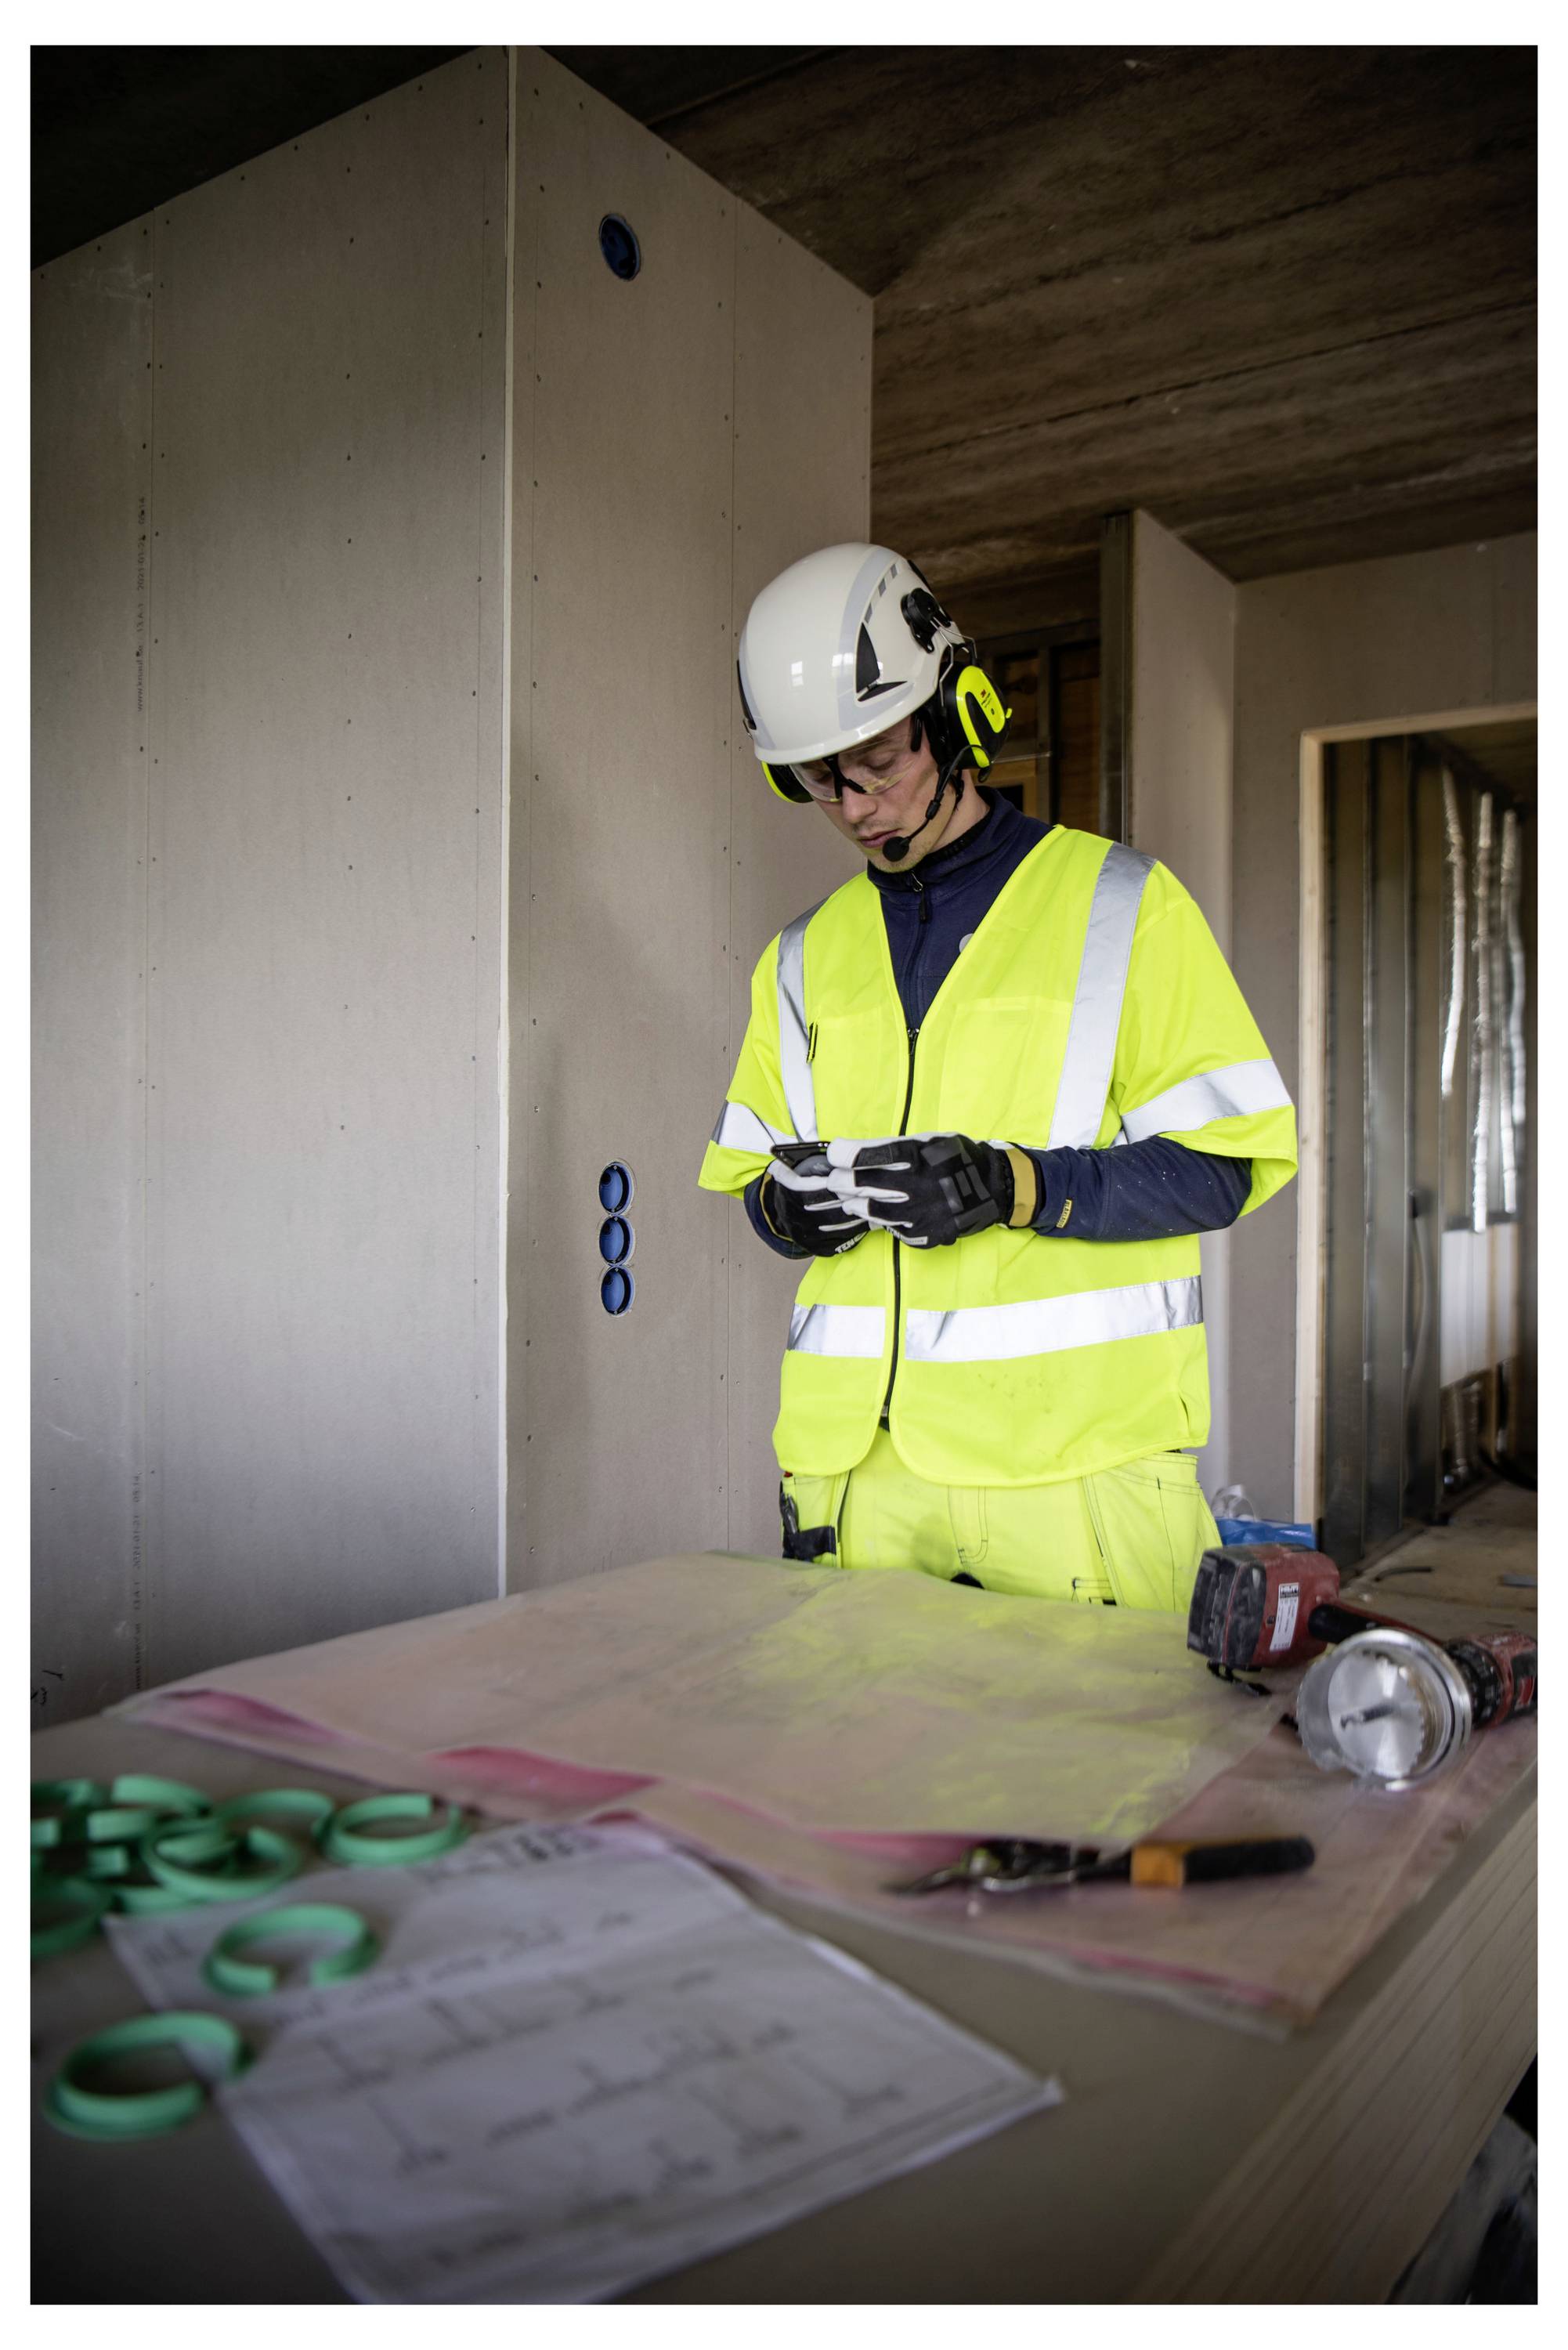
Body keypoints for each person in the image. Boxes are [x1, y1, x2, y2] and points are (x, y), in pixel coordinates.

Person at [698, 542, 1296, 1610]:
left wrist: (1016, 1185)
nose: (853, 804)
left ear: (955, 714)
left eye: (876, 759)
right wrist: (787, 1212)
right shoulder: (798, 957)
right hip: (857, 1481)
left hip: (1070, 1474)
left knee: (1111, 1777)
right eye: (817, 779)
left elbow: (1223, 1164)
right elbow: (752, 1184)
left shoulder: (1121, 908)